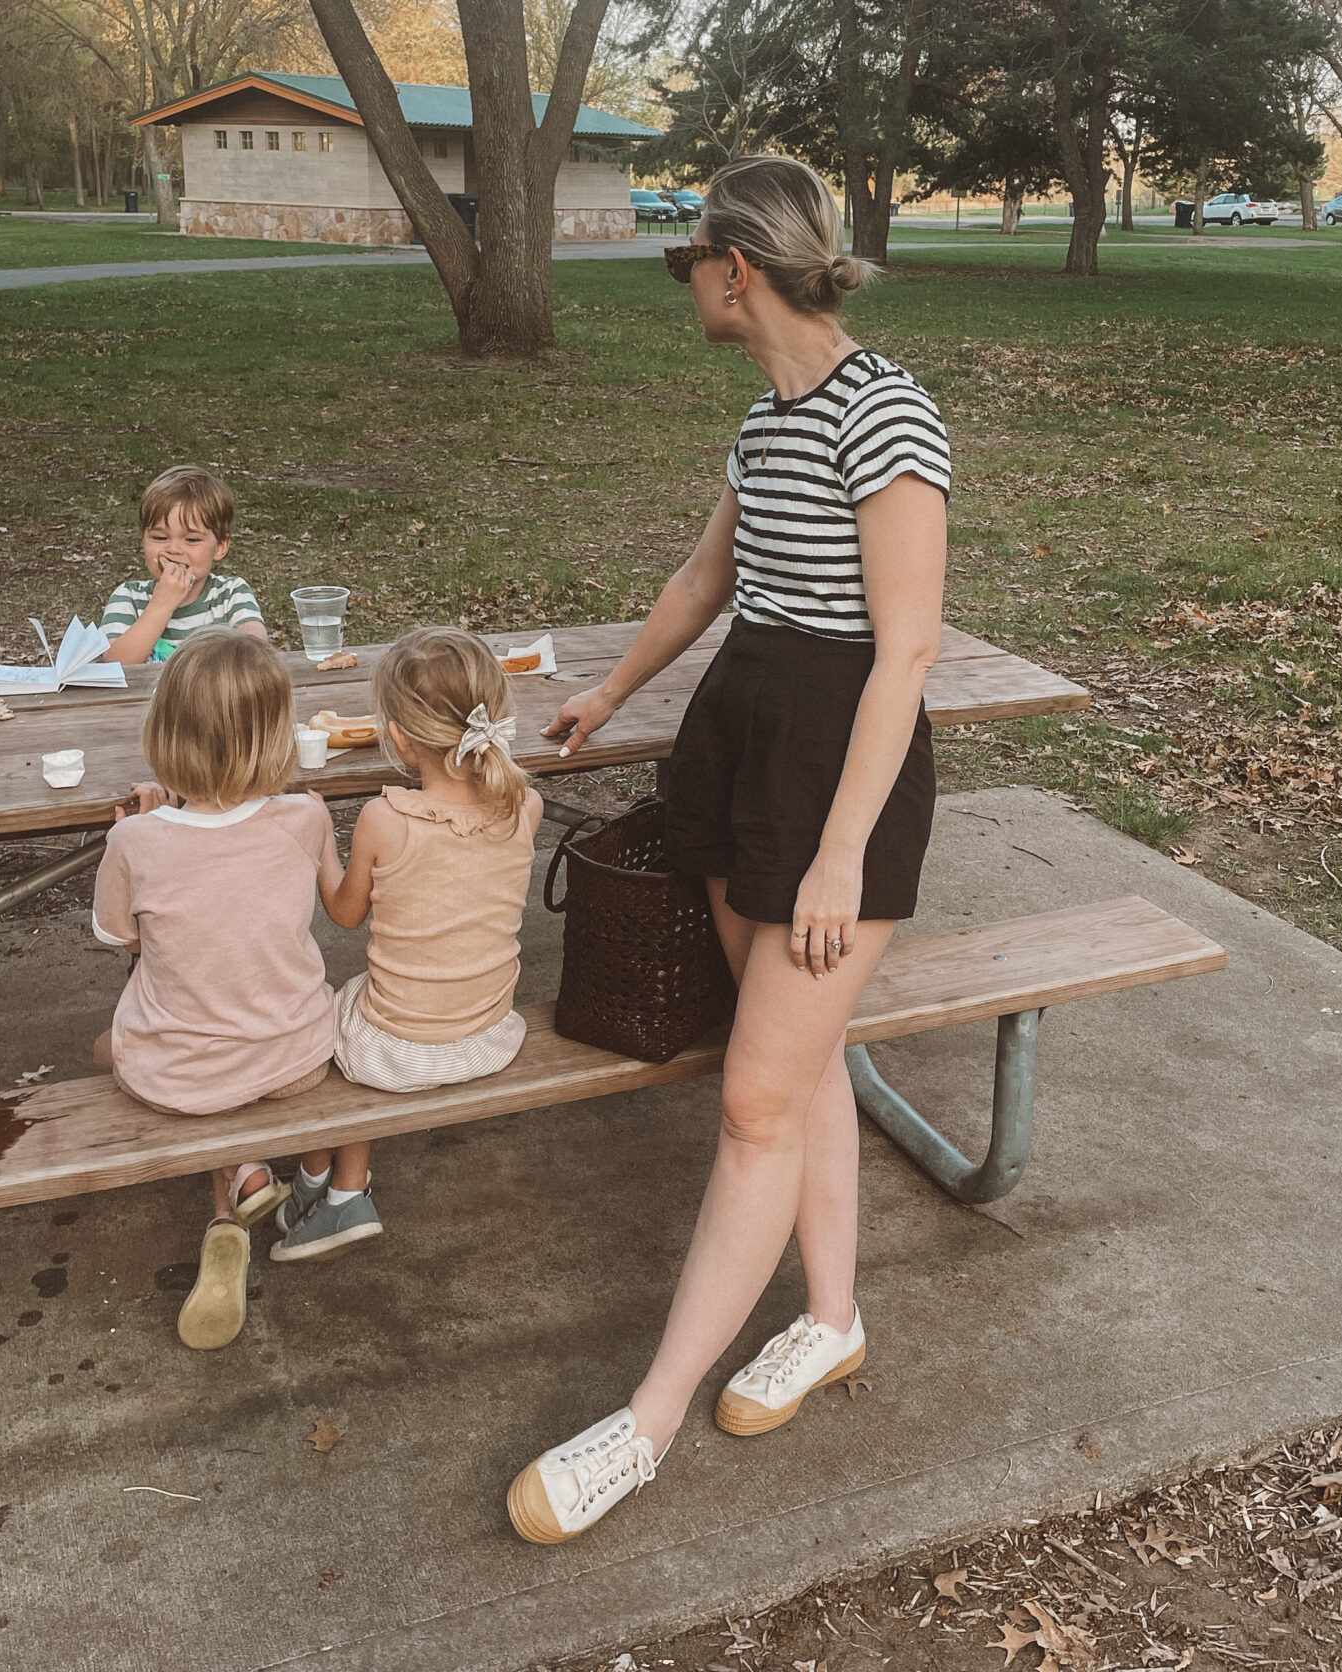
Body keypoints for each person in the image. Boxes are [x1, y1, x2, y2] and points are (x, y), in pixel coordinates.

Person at [507, 155, 951, 1543]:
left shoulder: (890, 417)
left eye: (692, 265)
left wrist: (840, 853)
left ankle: (644, 1424)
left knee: (756, 1100)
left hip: (836, 773)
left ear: (736, 272)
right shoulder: (768, 427)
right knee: (795, 1064)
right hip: (742, 744)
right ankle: (828, 1319)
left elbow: (910, 648)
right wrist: (612, 691)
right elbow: (709, 582)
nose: (686, 289)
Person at [91, 629, 336, 1351]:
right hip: (297, 1057)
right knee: (228, 1065)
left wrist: (152, 820)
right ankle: (240, 1183)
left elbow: (125, 939)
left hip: (182, 1075)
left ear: (164, 730)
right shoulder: (308, 815)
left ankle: (237, 1181)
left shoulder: (134, 842)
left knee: (107, 1049)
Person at [273, 627, 542, 1262]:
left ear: (395, 736)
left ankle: (342, 1188)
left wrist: (319, 848)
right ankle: (316, 1176)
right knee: (372, 1003)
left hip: (400, 1056)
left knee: (325, 1013)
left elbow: (343, 913)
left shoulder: (384, 819)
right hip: (490, 1035)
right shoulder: (523, 807)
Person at [99, 465, 266, 664]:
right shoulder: (129, 598)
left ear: (221, 546)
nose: (174, 549)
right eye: (160, 537)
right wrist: (162, 605)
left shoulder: (231, 593)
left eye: (192, 540)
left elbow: (256, 651)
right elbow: (115, 665)